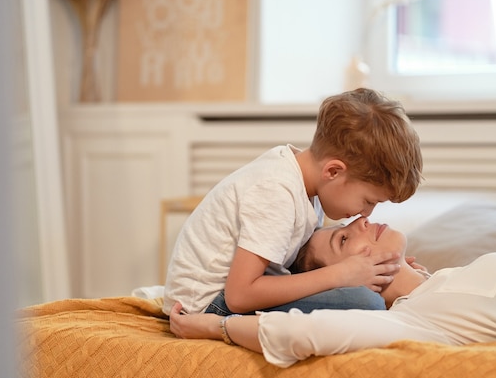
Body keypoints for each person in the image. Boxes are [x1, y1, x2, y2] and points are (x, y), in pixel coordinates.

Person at [169, 216, 496, 367]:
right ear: (339, 282)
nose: (363, 220)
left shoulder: (450, 278)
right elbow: (301, 332)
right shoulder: (415, 319)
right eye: (344, 241)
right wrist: (213, 327)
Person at [162, 88, 423, 317]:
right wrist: (342, 275)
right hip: (206, 305)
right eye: (368, 201)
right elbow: (239, 296)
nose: (366, 214)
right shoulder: (277, 191)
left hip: (226, 296)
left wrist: (384, 270)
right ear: (333, 172)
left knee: (358, 294)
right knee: (365, 301)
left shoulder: (306, 185)